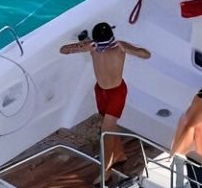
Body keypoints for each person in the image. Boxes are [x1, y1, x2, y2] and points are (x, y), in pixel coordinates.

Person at [59, 22, 150, 173]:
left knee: (106, 131)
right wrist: (83, 45)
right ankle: (119, 154)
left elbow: (146, 54)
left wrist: (129, 49)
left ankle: (105, 172)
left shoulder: (119, 47)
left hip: (116, 93)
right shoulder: (92, 46)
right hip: (101, 91)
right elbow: (63, 50)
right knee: (110, 127)